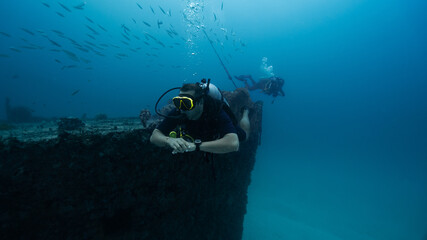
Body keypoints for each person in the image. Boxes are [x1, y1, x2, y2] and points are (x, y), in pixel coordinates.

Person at [150, 80, 250, 154]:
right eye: (177, 102)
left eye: (186, 103)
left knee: (244, 136)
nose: (181, 108)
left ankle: (245, 112)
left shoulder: (215, 111)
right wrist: (169, 140)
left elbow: (233, 143)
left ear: (200, 102)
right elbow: (155, 136)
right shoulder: (179, 110)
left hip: (215, 126)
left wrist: (196, 146)